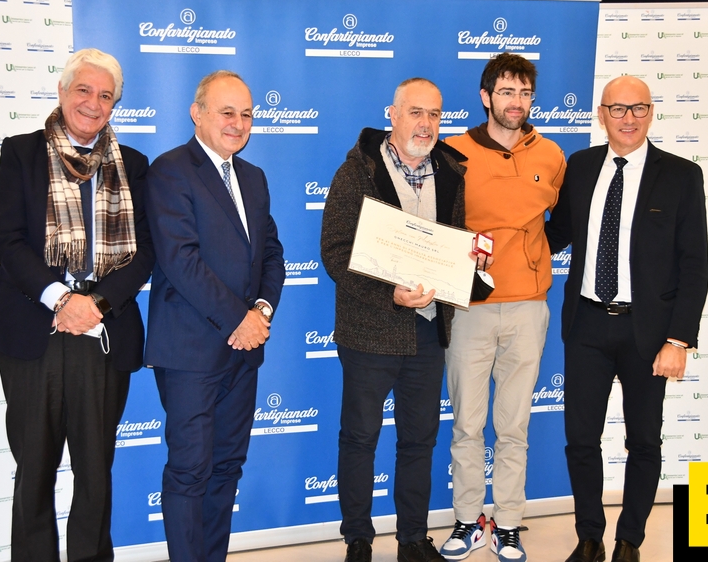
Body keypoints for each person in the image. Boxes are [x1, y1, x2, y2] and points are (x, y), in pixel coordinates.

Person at [0, 48, 154, 562]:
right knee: (34, 468)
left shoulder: (133, 165)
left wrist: (94, 303)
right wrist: (61, 299)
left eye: (106, 95)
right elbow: (9, 239)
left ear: (115, 104)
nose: (93, 103)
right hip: (34, 329)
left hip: (103, 331)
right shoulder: (22, 153)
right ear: (62, 91)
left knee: (96, 471)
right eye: (84, 90)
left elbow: (146, 252)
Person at [545, 76, 708, 562]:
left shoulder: (681, 175)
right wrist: (499, 239)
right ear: (602, 115)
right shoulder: (580, 167)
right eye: (618, 108)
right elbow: (556, 235)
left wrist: (678, 340)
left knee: (643, 441)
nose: (629, 118)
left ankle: (629, 540)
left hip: (650, 332)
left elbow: (694, 264)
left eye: (639, 107)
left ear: (651, 112)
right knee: (580, 439)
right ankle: (590, 538)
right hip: (587, 324)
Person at [322, 78, 474, 562]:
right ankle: (358, 539)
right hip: (369, 332)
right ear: (392, 114)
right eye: (415, 112)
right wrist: (389, 294)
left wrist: (470, 265)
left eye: (434, 114)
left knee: (419, 441)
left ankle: (412, 538)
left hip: (427, 332)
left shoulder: (451, 171)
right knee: (359, 439)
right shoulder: (357, 171)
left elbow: (455, 244)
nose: (425, 124)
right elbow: (335, 252)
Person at [144, 70, 285, 562]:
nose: (238, 123)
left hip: (244, 352)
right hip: (190, 354)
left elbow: (271, 254)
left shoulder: (253, 177)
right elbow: (180, 261)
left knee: (226, 468)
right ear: (197, 113)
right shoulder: (170, 170)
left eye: (247, 115)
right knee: (190, 471)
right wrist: (239, 320)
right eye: (227, 112)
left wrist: (261, 310)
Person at [439, 53, 566, 562]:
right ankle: (468, 520)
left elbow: (562, 222)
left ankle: (508, 523)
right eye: (507, 92)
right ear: (486, 96)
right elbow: (439, 221)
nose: (517, 102)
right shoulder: (453, 151)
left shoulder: (551, 155)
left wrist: (533, 254)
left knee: (514, 426)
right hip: (469, 306)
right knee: (468, 424)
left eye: (525, 93)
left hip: (528, 308)